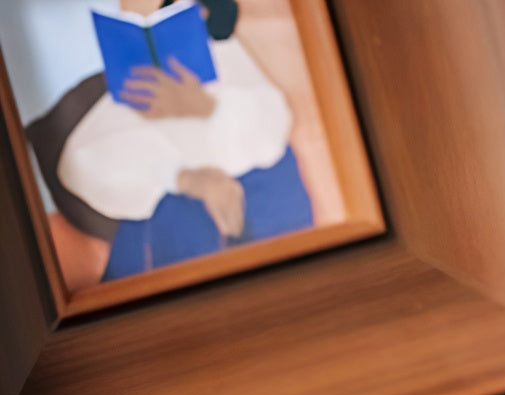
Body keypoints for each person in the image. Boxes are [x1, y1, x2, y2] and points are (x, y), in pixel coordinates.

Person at [53, 0, 313, 280]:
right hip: (174, 220)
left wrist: (206, 108)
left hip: (262, 203)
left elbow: (272, 131)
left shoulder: (232, 56)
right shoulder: (144, 83)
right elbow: (79, 164)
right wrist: (184, 179)